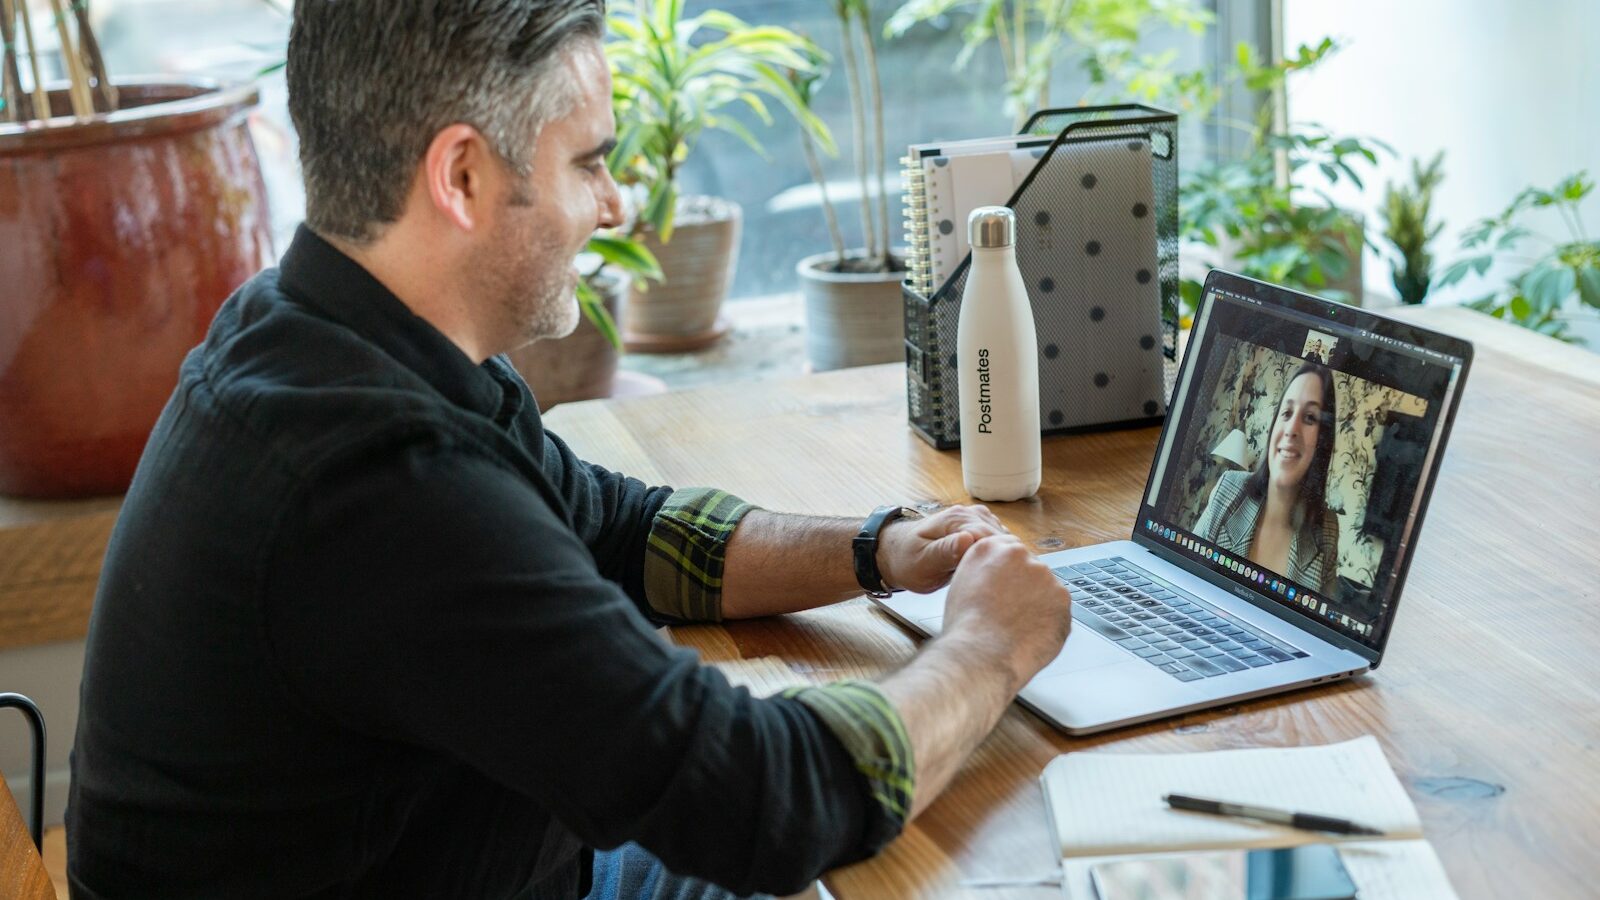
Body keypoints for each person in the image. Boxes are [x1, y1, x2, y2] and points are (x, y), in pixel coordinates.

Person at [64, 3, 1075, 899]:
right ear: (462, 176)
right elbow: (766, 803)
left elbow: (619, 530)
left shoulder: (322, 331)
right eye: (588, 162)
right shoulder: (382, 486)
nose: (616, 203)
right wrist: (990, 647)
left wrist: (878, 548)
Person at [1193, 362, 1341, 596]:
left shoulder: (1327, 530)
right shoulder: (1228, 488)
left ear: (1322, 440)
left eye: (1310, 417)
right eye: (1287, 413)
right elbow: (1185, 572)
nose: (1292, 429)